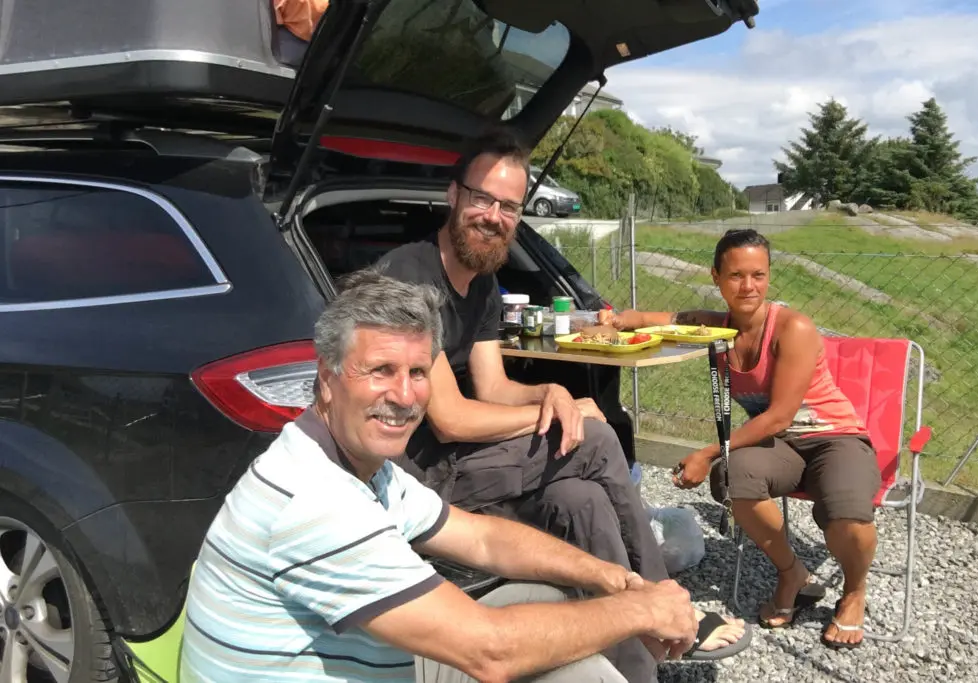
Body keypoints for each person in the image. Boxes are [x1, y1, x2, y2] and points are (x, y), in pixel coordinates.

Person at [179, 269, 714, 683]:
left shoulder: (363, 469)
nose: (405, 395)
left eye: (417, 372)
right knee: (541, 641)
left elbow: (482, 536)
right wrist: (638, 608)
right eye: (380, 371)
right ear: (327, 380)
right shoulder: (314, 501)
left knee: (551, 607)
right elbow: (490, 650)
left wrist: (609, 578)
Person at [376, 129, 749, 680]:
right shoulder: (411, 278)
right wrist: (558, 415)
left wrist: (553, 394)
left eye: (509, 206)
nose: (494, 216)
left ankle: (634, 662)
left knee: (581, 500)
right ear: (454, 196)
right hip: (423, 478)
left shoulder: (481, 282)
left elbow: (494, 388)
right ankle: (667, 604)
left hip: (469, 463)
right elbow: (451, 419)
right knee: (594, 439)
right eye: (483, 198)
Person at [601, 228, 881, 650]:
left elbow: (780, 415)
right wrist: (621, 318)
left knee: (847, 514)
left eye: (758, 275)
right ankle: (792, 573)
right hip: (781, 447)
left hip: (833, 437)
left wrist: (707, 452)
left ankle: (854, 592)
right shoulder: (720, 327)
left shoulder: (794, 328)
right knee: (732, 476)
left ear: (768, 277)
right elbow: (672, 319)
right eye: (735, 276)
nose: (748, 286)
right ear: (716, 276)